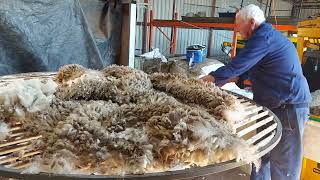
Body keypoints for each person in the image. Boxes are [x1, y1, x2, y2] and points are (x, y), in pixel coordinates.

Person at [201, 4, 311, 180]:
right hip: (270, 106)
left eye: (239, 25)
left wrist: (208, 80)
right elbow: (240, 73)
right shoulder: (260, 40)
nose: (237, 30)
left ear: (251, 23)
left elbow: (236, 67)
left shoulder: (264, 38)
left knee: (284, 165)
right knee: (260, 157)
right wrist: (218, 83)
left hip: (289, 107)